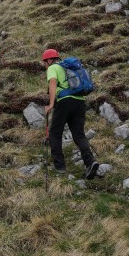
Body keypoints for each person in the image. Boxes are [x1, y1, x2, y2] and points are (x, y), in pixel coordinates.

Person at [42, 48, 99, 178]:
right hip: (80, 102)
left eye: (45, 63)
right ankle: (90, 162)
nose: (45, 65)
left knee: (55, 134)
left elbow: (52, 82)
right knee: (79, 134)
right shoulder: (68, 68)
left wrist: (51, 104)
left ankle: (60, 167)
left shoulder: (53, 68)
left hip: (65, 102)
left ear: (50, 60)